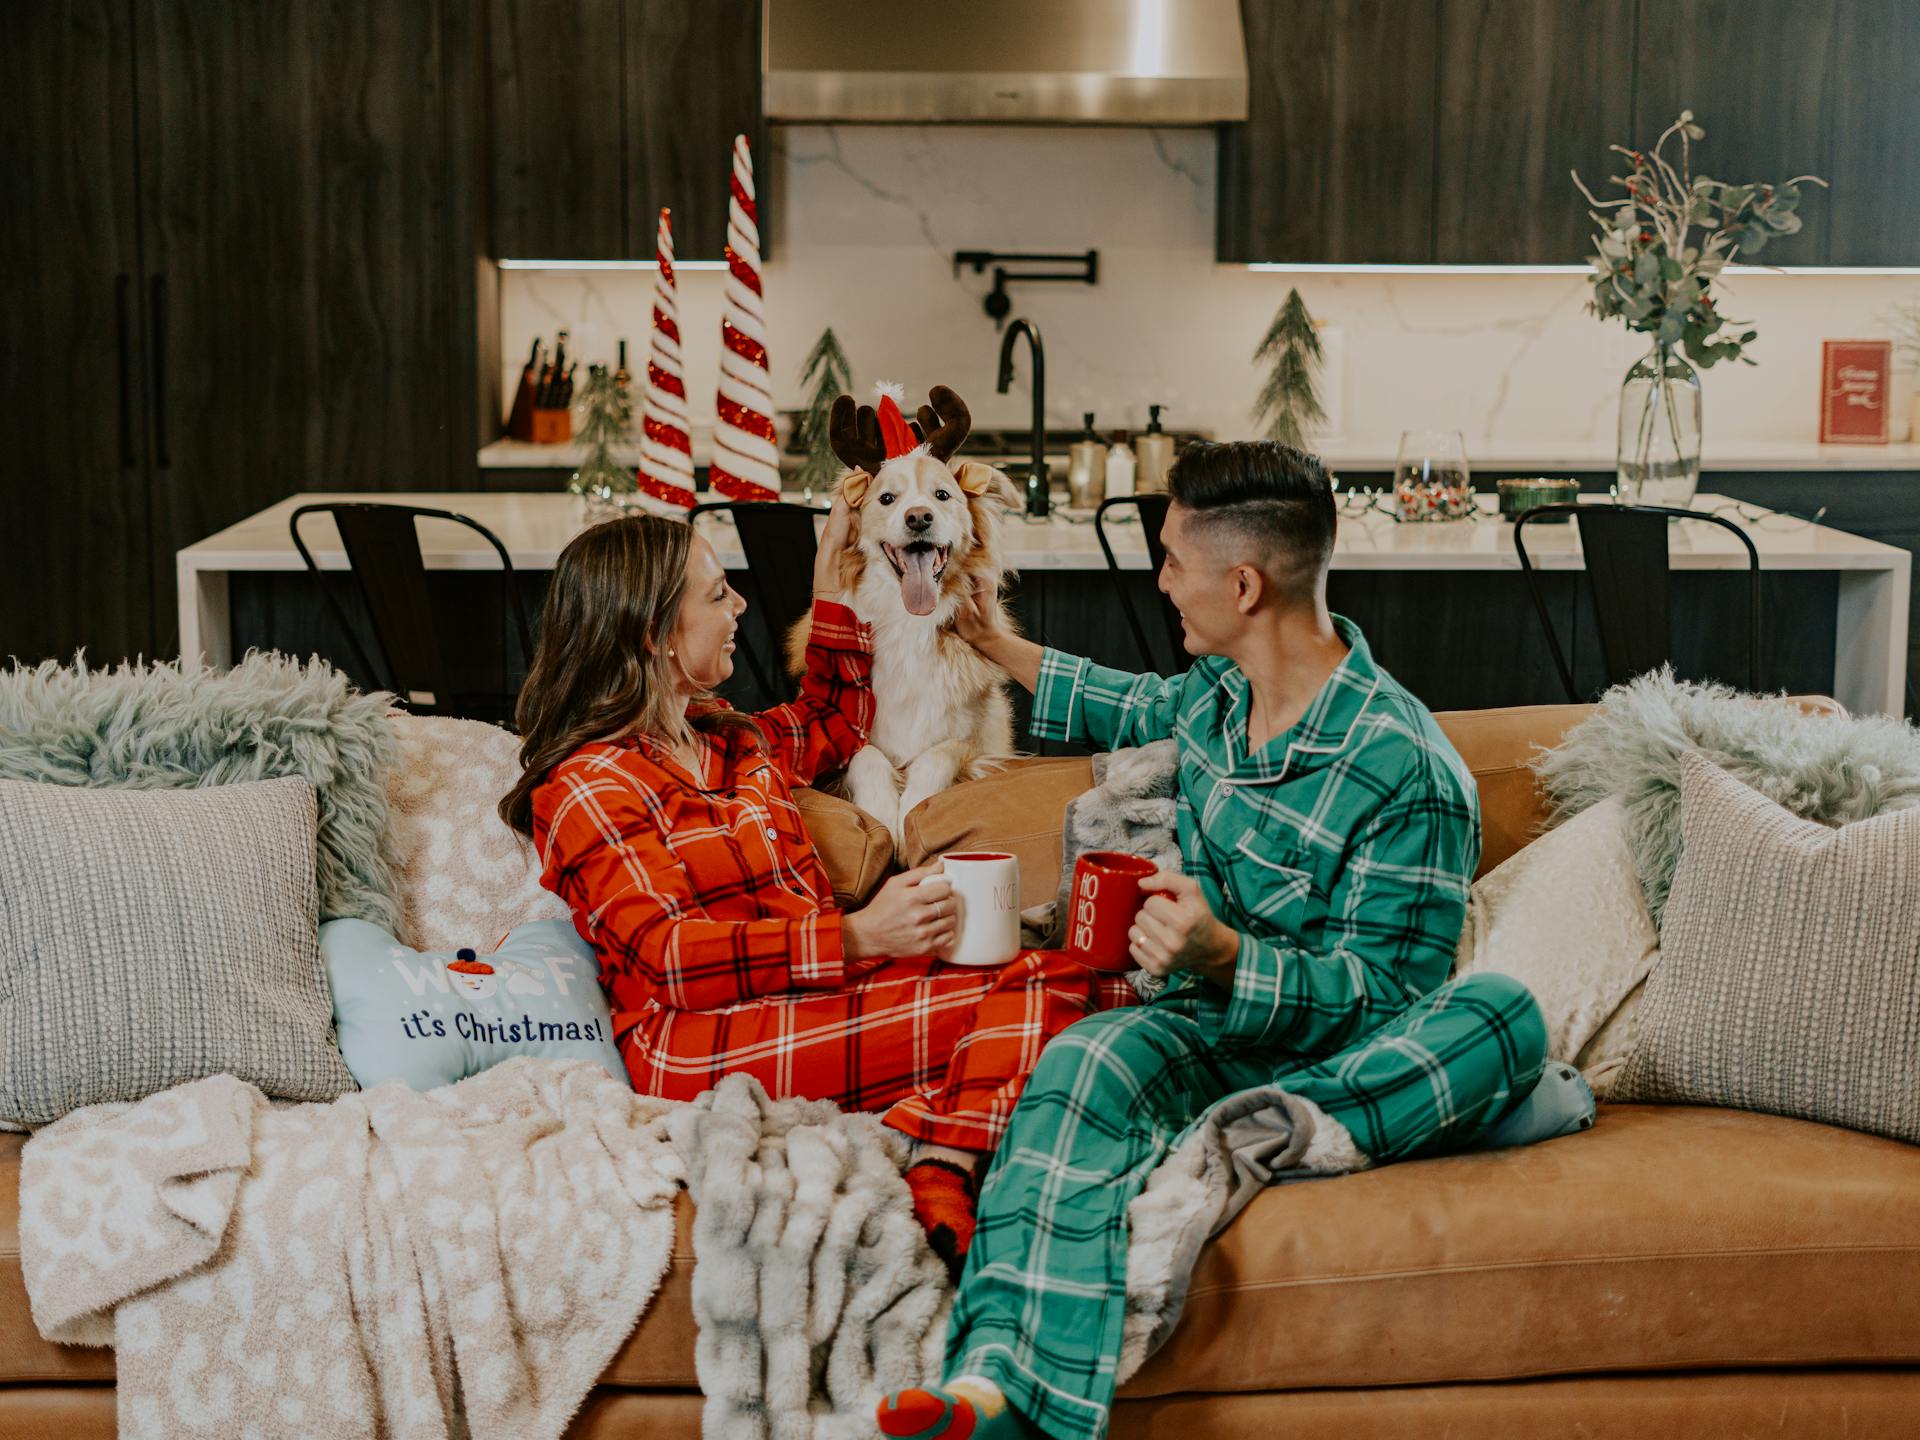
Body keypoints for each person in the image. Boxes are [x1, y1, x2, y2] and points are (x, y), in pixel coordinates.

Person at [877, 441, 1548, 1440]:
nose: (1159, 581)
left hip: (1339, 1043)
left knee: (1503, 1017)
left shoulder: (1406, 767)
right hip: (1206, 1028)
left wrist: (1229, 956)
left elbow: (1389, 1003)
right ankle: (1003, 1388)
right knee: (1084, 1061)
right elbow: (1124, 698)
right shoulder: (1216, 701)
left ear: (1243, 585)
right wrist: (985, 637)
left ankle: (1248, 1133)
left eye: (1172, 561)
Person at [501, 506, 1134, 1265]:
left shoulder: (733, 743)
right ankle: (944, 1162)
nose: (739, 608)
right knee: (1060, 994)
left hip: (811, 999)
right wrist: (860, 935)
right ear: (654, 635)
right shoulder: (590, 784)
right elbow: (667, 955)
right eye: (717, 595)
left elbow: (835, 716)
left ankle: (939, 1125)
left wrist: (829, 583)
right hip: (691, 1042)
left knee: (1107, 989)